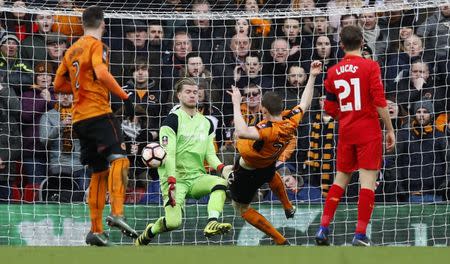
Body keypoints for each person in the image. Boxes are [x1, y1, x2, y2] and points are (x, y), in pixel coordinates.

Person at [54, 6, 138, 246]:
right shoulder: (97, 46)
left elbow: (58, 84)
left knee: (99, 172)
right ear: (103, 24)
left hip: (79, 120)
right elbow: (101, 73)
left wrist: (80, 87)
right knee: (120, 159)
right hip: (99, 114)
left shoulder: (71, 50)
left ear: (82, 24)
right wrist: (125, 97)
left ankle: (96, 230)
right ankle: (118, 213)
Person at [314, 25, 395, 247]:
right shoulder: (371, 66)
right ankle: (359, 234)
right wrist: (389, 129)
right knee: (367, 182)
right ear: (362, 42)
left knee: (340, 180)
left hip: (346, 131)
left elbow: (329, 109)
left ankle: (323, 228)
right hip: (368, 130)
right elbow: (379, 101)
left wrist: (347, 116)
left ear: (341, 45)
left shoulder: (332, 72)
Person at [225, 60, 322, 245]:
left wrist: (236, 104)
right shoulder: (290, 120)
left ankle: (279, 239)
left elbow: (242, 131)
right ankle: (287, 205)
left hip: (249, 170)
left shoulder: (267, 130)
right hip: (269, 166)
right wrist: (312, 76)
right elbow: (305, 102)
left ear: (264, 110)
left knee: (241, 208)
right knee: (271, 173)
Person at [135, 78, 231, 246]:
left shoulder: (206, 123)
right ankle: (150, 231)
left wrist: (222, 168)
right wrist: (171, 181)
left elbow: (210, 154)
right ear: (179, 95)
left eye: (195, 92)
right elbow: (169, 154)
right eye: (188, 92)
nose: (193, 95)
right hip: (175, 179)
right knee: (173, 223)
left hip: (196, 177)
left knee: (221, 183)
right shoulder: (171, 121)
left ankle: (212, 222)